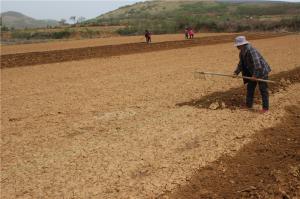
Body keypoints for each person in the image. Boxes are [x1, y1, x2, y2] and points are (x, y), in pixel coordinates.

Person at [233, 36, 271, 113]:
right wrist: (236, 72)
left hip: (261, 72)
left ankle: (265, 108)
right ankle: (248, 105)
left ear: (242, 44)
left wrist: (255, 76)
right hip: (252, 72)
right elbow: (241, 64)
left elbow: (258, 65)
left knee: (263, 90)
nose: (236, 46)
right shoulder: (242, 52)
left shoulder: (251, 50)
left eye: (237, 45)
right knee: (250, 88)